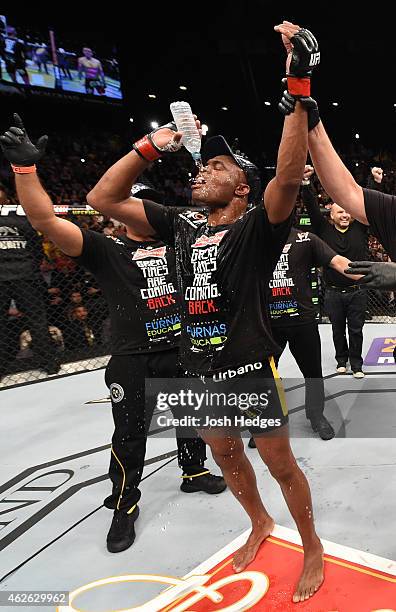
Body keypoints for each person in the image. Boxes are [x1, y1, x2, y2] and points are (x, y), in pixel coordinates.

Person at [85, 23, 324, 604]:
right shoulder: (182, 224)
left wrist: (297, 85)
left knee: (279, 462)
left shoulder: (257, 227)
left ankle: (311, 544)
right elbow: (102, 200)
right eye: (200, 167)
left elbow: (289, 174)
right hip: (197, 365)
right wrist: (152, 146)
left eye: (216, 169)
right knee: (222, 452)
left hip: (246, 365)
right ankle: (259, 523)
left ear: (243, 188)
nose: (201, 172)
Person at [0, 119, 225, 554]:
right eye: (134, 207)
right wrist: (25, 172)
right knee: (129, 433)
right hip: (133, 357)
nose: (142, 212)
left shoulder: (183, 240)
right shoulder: (105, 249)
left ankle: (193, 472)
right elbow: (44, 220)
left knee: (192, 418)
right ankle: (124, 503)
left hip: (183, 348)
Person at [264, 210, 360, 439]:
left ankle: (316, 417)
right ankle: (266, 423)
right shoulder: (255, 242)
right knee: (264, 376)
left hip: (302, 321)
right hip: (268, 324)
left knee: (313, 374)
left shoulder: (305, 239)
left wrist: (374, 275)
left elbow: (337, 262)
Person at [300, 165, 368, 378]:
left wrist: (374, 182)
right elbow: (311, 207)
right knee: (337, 330)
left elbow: (368, 205)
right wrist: (306, 183)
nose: (345, 215)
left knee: (356, 330)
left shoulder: (360, 228)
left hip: (358, 291)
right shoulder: (323, 230)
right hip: (333, 292)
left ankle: (356, 365)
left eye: (347, 211)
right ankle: (342, 360)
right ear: (331, 214)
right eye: (340, 211)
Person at [0, 185, 60, 380]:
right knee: (37, 321)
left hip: (21, 275)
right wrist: (31, 265)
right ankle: (49, 365)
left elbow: (36, 246)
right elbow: (36, 247)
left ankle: (47, 364)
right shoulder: (20, 217)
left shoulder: (21, 217)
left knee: (36, 321)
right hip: (25, 275)